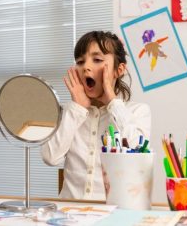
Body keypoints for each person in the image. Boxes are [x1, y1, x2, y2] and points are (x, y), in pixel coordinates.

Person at [41, 31, 151, 200]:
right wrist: (77, 108)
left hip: (113, 214)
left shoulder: (137, 111)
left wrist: (113, 102)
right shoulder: (70, 113)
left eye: (97, 60)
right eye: (80, 61)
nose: (86, 66)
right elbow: (50, 157)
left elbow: (138, 152)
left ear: (118, 70)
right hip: (69, 214)